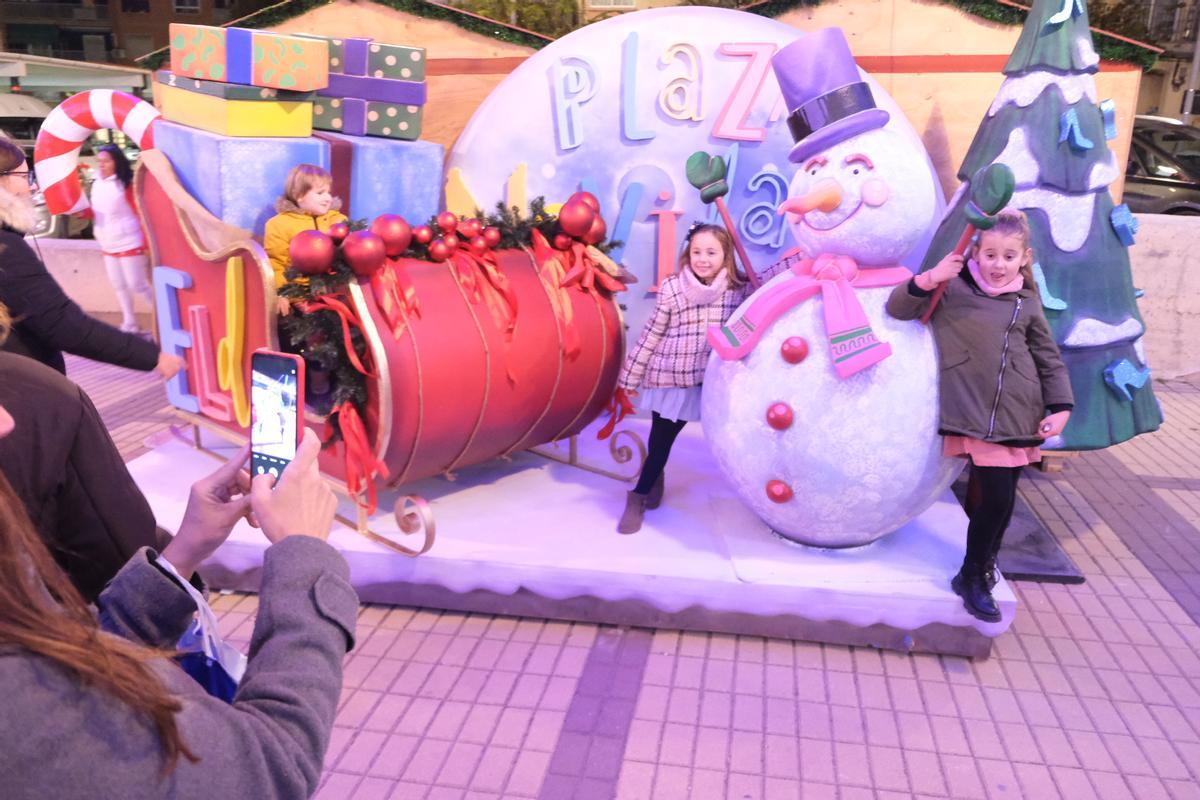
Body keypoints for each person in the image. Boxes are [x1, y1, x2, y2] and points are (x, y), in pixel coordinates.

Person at [0, 407, 354, 798]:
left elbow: (83, 653)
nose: (6, 420)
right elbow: (271, 765)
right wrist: (304, 554)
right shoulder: (19, 706)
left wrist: (182, 553)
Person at [886, 209, 1073, 622]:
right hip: (978, 413)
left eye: (1008, 256)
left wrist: (1060, 407)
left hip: (1020, 414)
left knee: (1004, 504)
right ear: (976, 251)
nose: (998, 264)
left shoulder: (1024, 300)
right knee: (996, 499)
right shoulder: (953, 288)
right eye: (990, 254)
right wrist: (927, 280)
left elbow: (1046, 356)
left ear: (1024, 258)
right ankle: (971, 576)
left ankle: (984, 567)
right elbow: (898, 309)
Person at [0, 135, 182, 378]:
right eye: (24, 176)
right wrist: (151, 357)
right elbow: (64, 325)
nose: (32, 186)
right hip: (19, 389)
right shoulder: (6, 250)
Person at [615, 223, 753, 534]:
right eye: (696, 252)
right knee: (661, 443)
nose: (703, 259)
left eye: (711, 252)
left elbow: (769, 284)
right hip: (670, 378)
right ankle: (639, 494)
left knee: (733, 437)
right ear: (687, 254)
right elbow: (651, 335)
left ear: (726, 256)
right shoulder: (673, 288)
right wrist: (628, 380)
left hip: (708, 380)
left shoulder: (737, 290)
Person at [263, 163, 348, 318]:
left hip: (337, 293)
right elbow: (276, 265)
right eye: (320, 192)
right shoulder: (279, 225)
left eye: (328, 192)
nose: (327, 198)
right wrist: (282, 294)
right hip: (300, 296)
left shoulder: (339, 221)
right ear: (299, 195)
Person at [89, 144, 155, 333]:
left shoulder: (126, 185)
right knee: (118, 284)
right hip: (107, 241)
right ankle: (129, 322)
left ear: (116, 162)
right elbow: (98, 212)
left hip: (130, 240)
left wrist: (145, 243)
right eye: (99, 161)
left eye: (106, 161)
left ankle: (163, 318)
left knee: (138, 284)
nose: (101, 165)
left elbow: (142, 213)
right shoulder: (96, 183)